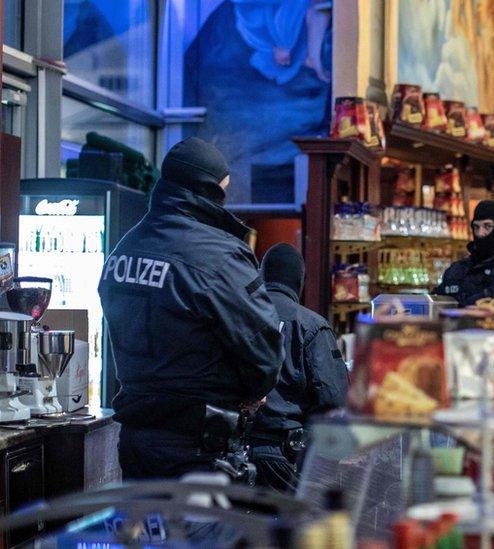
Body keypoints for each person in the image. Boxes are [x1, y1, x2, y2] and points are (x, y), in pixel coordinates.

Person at [99, 137, 285, 480]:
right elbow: (264, 350)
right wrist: (252, 393)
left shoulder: (123, 249)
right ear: (209, 190)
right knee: (198, 533)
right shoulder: (219, 256)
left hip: (136, 439)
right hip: (198, 446)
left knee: (146, 531)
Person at [250, 243, 349, 493]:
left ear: (262, 275)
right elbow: (334, 400)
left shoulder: (239, 314)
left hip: (235, 454)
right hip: (285, 456)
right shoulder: (311, 326)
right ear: (299, 280)